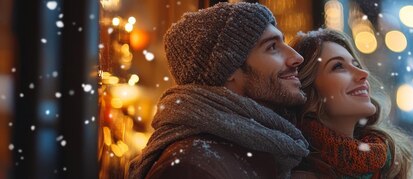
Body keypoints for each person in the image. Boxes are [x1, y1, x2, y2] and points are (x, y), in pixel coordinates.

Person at [126, 2, 309, 179]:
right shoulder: (191, 167)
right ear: (229, 69)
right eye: (272, 47)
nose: (297, 57)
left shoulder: (262, 146)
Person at [289, 29, 413, 178]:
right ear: (310, 97)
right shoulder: (302, 174)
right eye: (338, 66)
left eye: (356, 64)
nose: (364, 74)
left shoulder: (392, 163)